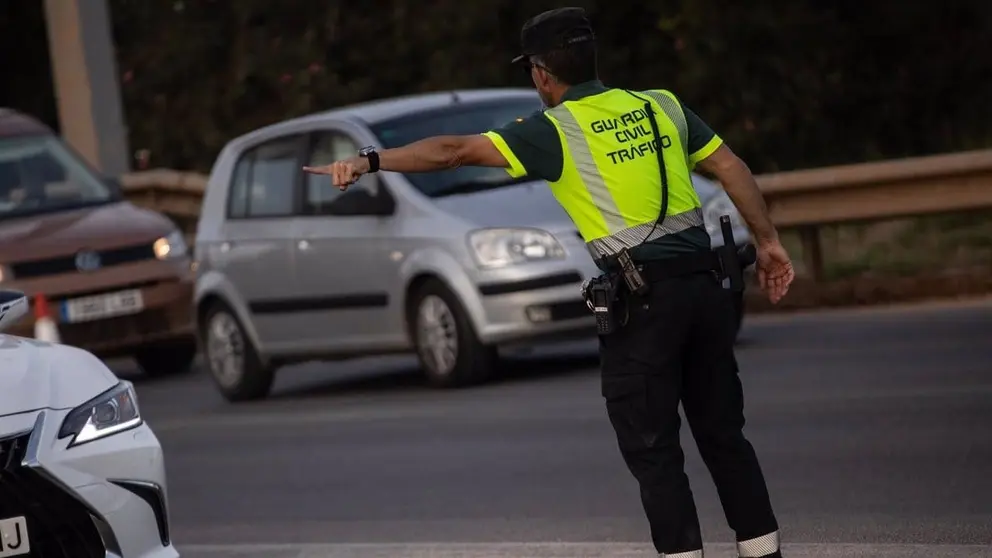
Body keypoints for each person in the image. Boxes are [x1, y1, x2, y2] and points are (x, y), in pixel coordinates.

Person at [303, 7, 795, 557]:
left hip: (644, 304)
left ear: (541, 74)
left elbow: (452, 152)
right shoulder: (662, 105)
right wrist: (769, 242)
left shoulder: (555, 129)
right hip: (706, 291)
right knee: (725, 437)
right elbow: (730, 167)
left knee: (654, 450)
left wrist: (369, 161)